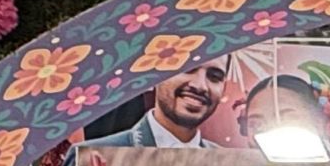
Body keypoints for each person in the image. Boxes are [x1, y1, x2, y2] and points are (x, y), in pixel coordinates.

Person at [93, 57, 233, 149]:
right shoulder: (94, 155)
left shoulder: (231, 164)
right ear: (156, 74)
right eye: (187, 68)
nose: (200, 86)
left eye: (215, 77)